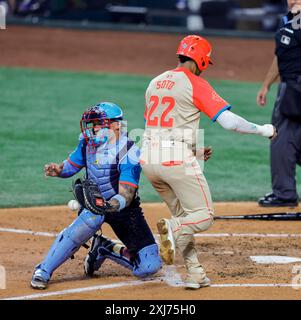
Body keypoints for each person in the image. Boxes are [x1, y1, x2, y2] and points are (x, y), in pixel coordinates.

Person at [140, 35, 277, 289]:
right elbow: (230, 122)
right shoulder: (195, 84)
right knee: (202, 216)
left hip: (149, 158)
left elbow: (162, 126)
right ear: (201, 60)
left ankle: (195, 273)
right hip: (175, 160)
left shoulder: (155, 82)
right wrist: (263, 129)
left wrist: (193, 148)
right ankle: (171, 227)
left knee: (184, 216)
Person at [31, 102, 162, 290]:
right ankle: (43, 270)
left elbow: (127, 193)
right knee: (91, 220)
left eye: (99, 124)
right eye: (92, 124)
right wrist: (59, 170)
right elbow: (71, 166)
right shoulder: (87, 144)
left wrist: (109, 206)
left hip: (124, 210)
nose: (94, 129)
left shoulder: (129, 151)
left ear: (116, 125)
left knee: (149, 267)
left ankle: (105, 248)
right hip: (94, 206)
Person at [257, 0, 301, 207]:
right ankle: (284, 191)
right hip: (289, 85)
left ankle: (284, 193)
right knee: (288, 138)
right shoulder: (288, 20)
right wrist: (266, 85)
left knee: (281, 138)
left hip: (295, 88)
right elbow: (281, 56)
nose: (293, 1)